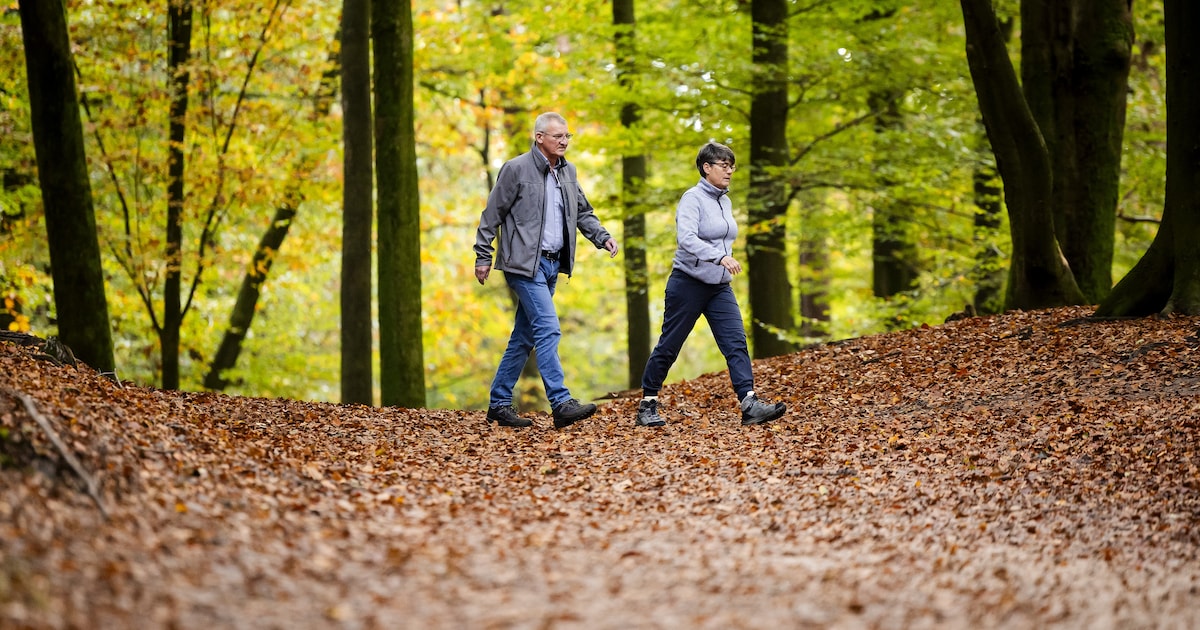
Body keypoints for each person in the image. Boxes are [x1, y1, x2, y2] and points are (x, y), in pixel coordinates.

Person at [474, 112, 619, 429]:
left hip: (554, 263)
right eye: (558, 136)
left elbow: (583, 212)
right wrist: (483, 255)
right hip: (524, 264)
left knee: (524, 337)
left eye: (568, 136)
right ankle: (561, 402)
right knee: (548, 328)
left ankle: (499, 403)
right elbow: (491, 214)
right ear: (539, 137)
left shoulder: (568, 172)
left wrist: (602, 237)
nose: (564, 141)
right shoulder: (516, 170)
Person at [636, 142, 787, 428]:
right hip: (688, 283)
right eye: (724, 165)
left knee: (735, 342)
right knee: (670, 345)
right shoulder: (692, 199)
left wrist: (723, 262)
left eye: (732, 166)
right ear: (707, 168)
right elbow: (687, 239)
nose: (730, 171)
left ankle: (749, 402)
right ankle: (648, 403)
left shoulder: (725, 201)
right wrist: (720, 257)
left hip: (719, 287)